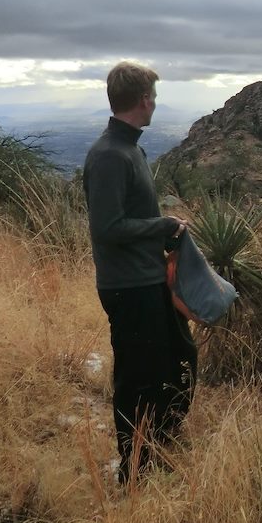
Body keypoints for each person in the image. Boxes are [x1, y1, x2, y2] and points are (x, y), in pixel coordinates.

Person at [83, 61, 197, 484]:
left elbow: (130, 221)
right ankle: (134, 472)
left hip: (149, 280)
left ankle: (160, 447)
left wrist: (162, 235)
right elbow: (107, 228)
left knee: (178, 364)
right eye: (154, 96)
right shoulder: (111, 155)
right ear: (145, 99)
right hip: (129, 288)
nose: (155, 103)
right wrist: (163, 226)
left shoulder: (131, 148)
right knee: (137, 380)